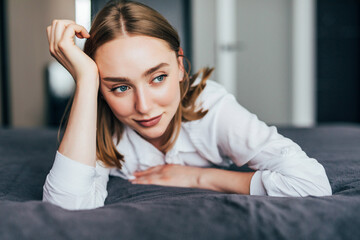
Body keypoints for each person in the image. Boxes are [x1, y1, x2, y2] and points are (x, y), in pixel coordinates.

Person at [43, 0, 332, 210]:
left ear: (180, 66)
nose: (143, 106)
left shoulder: (213, 109)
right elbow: (65, 207)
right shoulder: (98, 123)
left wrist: (200, 176)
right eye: (120, 87)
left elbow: (311, 184)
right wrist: (85, 80)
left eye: (158, 77)